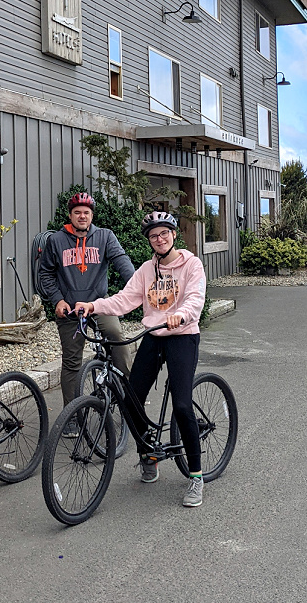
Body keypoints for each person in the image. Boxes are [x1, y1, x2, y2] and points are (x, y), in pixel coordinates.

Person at [75, 210, 207, 508]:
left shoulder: (191, 264)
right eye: (153, 236)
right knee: (131, 400)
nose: (159, 240)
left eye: (163, 234)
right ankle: (148, 454)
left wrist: (181, 315)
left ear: (173, 235)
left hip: (182, 335)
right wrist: (93, 306)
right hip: (153, 336)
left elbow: (196, 297)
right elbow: (125, 298)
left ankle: (196, 476)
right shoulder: (147, 270)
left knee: (183, 405)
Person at [38, 192, 135, 412]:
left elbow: (122, 262)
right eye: (77, 212)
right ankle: (72, 415)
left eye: (86, 213)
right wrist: (57, 300)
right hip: (70, 309)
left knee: (117, 337)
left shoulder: (105, 236)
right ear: (70, 215)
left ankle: (126, 396)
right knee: (72, 362)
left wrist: (137, 287)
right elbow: (46, 274)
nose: (82, 216)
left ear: (92, 215)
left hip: (100, 305)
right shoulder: (56, 240)